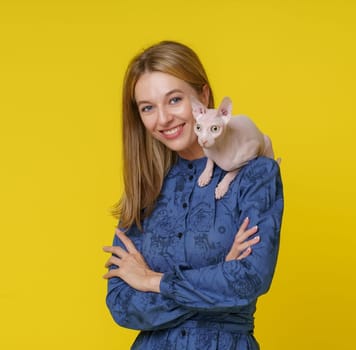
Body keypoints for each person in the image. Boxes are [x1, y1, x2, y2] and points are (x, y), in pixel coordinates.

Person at [102, 41, 284, 349]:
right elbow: (121, 304)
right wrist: (216, 278)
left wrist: (151, 281)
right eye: (148, 108)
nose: (162, 119)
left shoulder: (256, 174)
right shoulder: (145, 187)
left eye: (174, 100)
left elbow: (250, 279)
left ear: (204, 97)